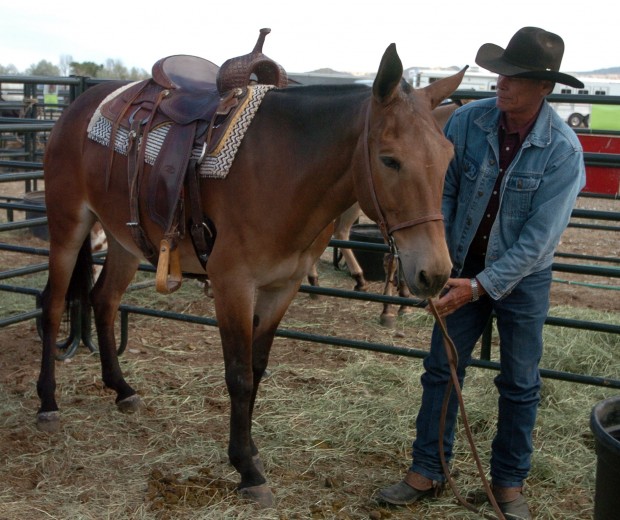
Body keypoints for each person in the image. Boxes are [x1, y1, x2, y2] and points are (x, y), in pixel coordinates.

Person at [376, 27, 586, 520]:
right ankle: (428, 469)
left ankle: (508, 485)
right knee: (441, 370)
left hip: (522, 279)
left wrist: (481, 286)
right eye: (501, 72)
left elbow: (538, 242)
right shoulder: (468, 122)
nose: (502, 82)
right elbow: (442, 193)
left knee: (519, 382)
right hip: (462, 263)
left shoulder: (562, 150)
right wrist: (446, 260)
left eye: (516, 76)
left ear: (544, 87)